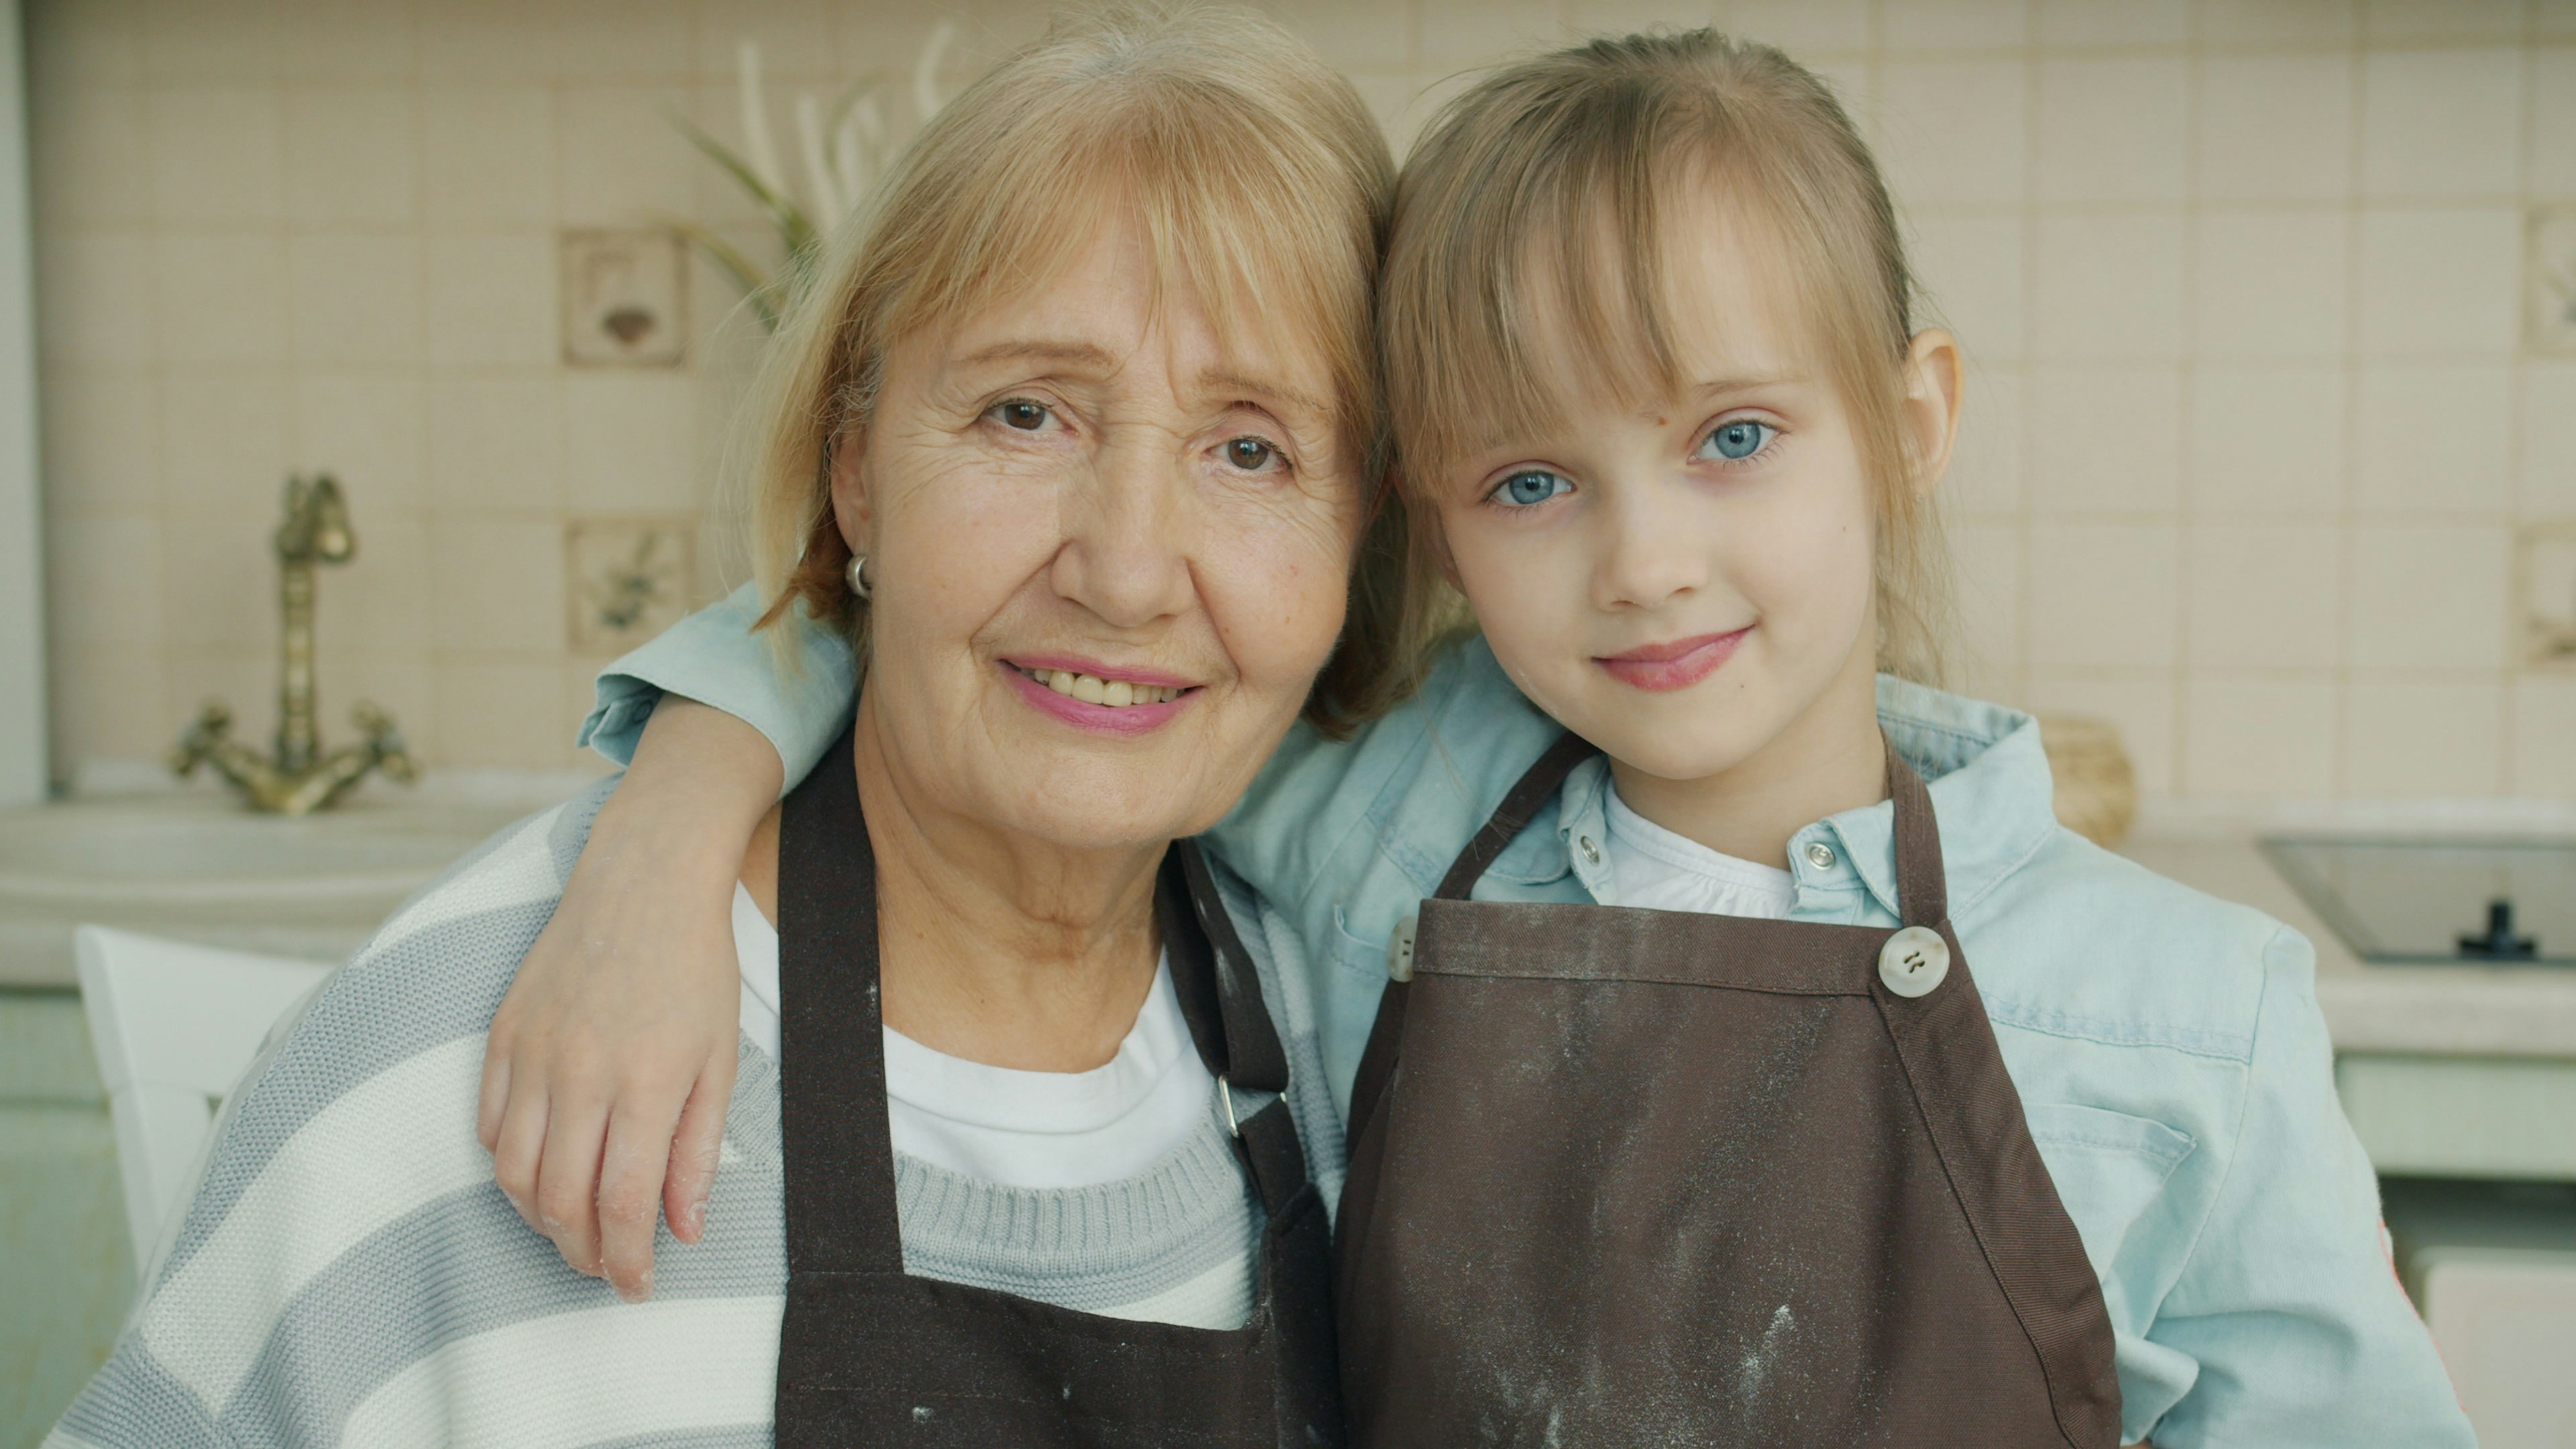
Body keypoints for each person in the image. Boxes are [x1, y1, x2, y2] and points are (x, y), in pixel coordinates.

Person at [477, 28, 2476, 1449]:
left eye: (1734, 440)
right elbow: (1002, 652)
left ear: (1912, 420)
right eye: (1533, 483)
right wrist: (671, 824)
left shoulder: (2187, 1024)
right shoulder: (1384, 817)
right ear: (1430, 514)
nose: (1644, 563)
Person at [46, 9, 1407, 1446]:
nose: (1125, 570)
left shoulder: (1350, 1031)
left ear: (1361, 532)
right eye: (1025, 414)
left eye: (1252, 448)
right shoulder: (463, 1065)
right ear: (856, 473)